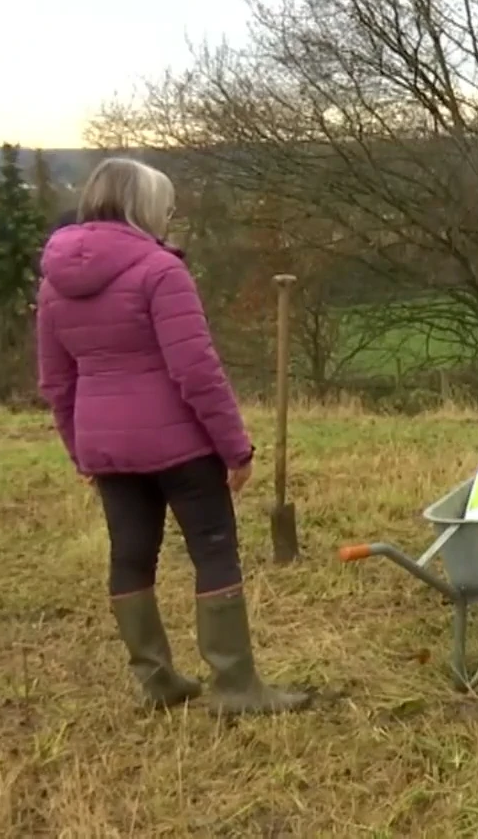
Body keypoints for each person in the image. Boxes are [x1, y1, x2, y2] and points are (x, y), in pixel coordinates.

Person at [35, 157, 309, 714]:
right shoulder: (160, 271)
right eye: (165, 206)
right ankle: (236, 687)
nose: (168, 216)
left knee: (131, 555)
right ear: (144, 207)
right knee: (213, 550)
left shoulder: (54, 282)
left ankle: (156, 682)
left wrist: (78, 451)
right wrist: (235, 447)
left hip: (106, 446)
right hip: (179, 444)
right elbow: (197, 370)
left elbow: (56, 381)